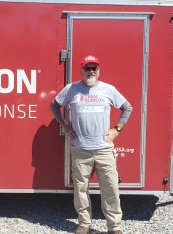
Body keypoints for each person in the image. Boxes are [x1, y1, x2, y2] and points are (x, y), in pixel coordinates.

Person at [50, 55, 132, 234]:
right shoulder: (71, 89)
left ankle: (114, 227)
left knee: (110, 188)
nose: (91, 71)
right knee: (81, 189)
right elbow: (54, 105)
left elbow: (127, 107)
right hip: (81, 150)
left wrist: (117, 129)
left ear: (99, 70)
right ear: (81, 71)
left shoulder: (109, 90)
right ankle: (84, 224)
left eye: (94, 68)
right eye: (87, 68)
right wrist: (64, 125)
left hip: (104, 150)